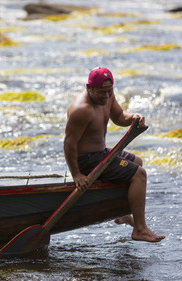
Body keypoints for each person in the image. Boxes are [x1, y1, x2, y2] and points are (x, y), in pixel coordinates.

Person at [63, 67, 165, 242]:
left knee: (137, 162)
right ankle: (139, 229)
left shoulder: (108, 96)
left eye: (109, 91)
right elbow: (68, 144)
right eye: (101, 92)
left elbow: (119, 117)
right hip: (86, 161)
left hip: (100, 153)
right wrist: (77, 174)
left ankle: (123, 213)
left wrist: (133, 117)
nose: (106, 96)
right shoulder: (82, 109)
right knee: (139, 175)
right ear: (89, 88)